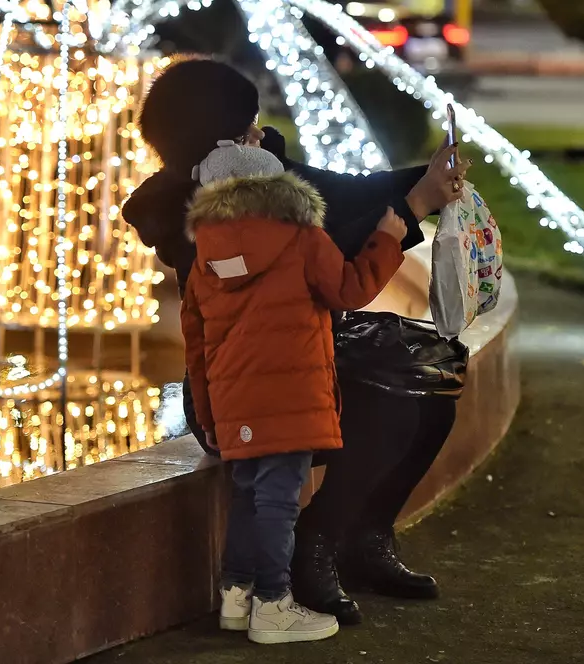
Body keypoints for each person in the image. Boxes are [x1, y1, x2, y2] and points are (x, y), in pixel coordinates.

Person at [123, 57, 471, 626]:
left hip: (291, 363)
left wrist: (423, 180)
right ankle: (311, 548)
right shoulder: (191, 214)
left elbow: (349, 195)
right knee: (391, 410)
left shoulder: (258, 177)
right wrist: (411, 208)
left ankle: (365, 539)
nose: (261, 134)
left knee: (431, 388)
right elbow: (332, 256)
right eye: (248, 127)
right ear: (225, 141)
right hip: (249, 391)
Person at [182, 138, 409, 644]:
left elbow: (195, 348)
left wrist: (209, 416)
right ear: (277, 189)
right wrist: (387, 239)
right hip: (291, 400)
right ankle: (273, 605)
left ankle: (237, 599)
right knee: (280, 505)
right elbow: (349, 289)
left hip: (234, 404)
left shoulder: (204, 260)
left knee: (249, 499)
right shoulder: (302, 239)